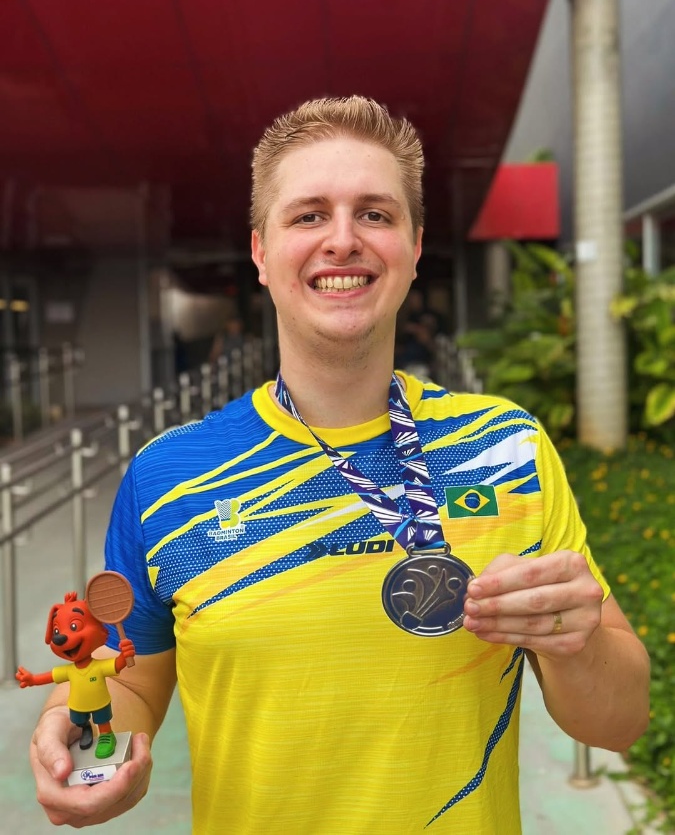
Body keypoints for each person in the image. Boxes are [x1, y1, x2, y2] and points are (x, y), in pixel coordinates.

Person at [26, 96, 650, 833]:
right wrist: (83, 728)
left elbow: (618, 723)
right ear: (261, 253)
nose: (342, 241)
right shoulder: (170, 474)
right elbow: (134, 678)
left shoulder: (504, 448)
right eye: (309, 214)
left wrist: (572, 643)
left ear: (415, 249)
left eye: (376, 214)